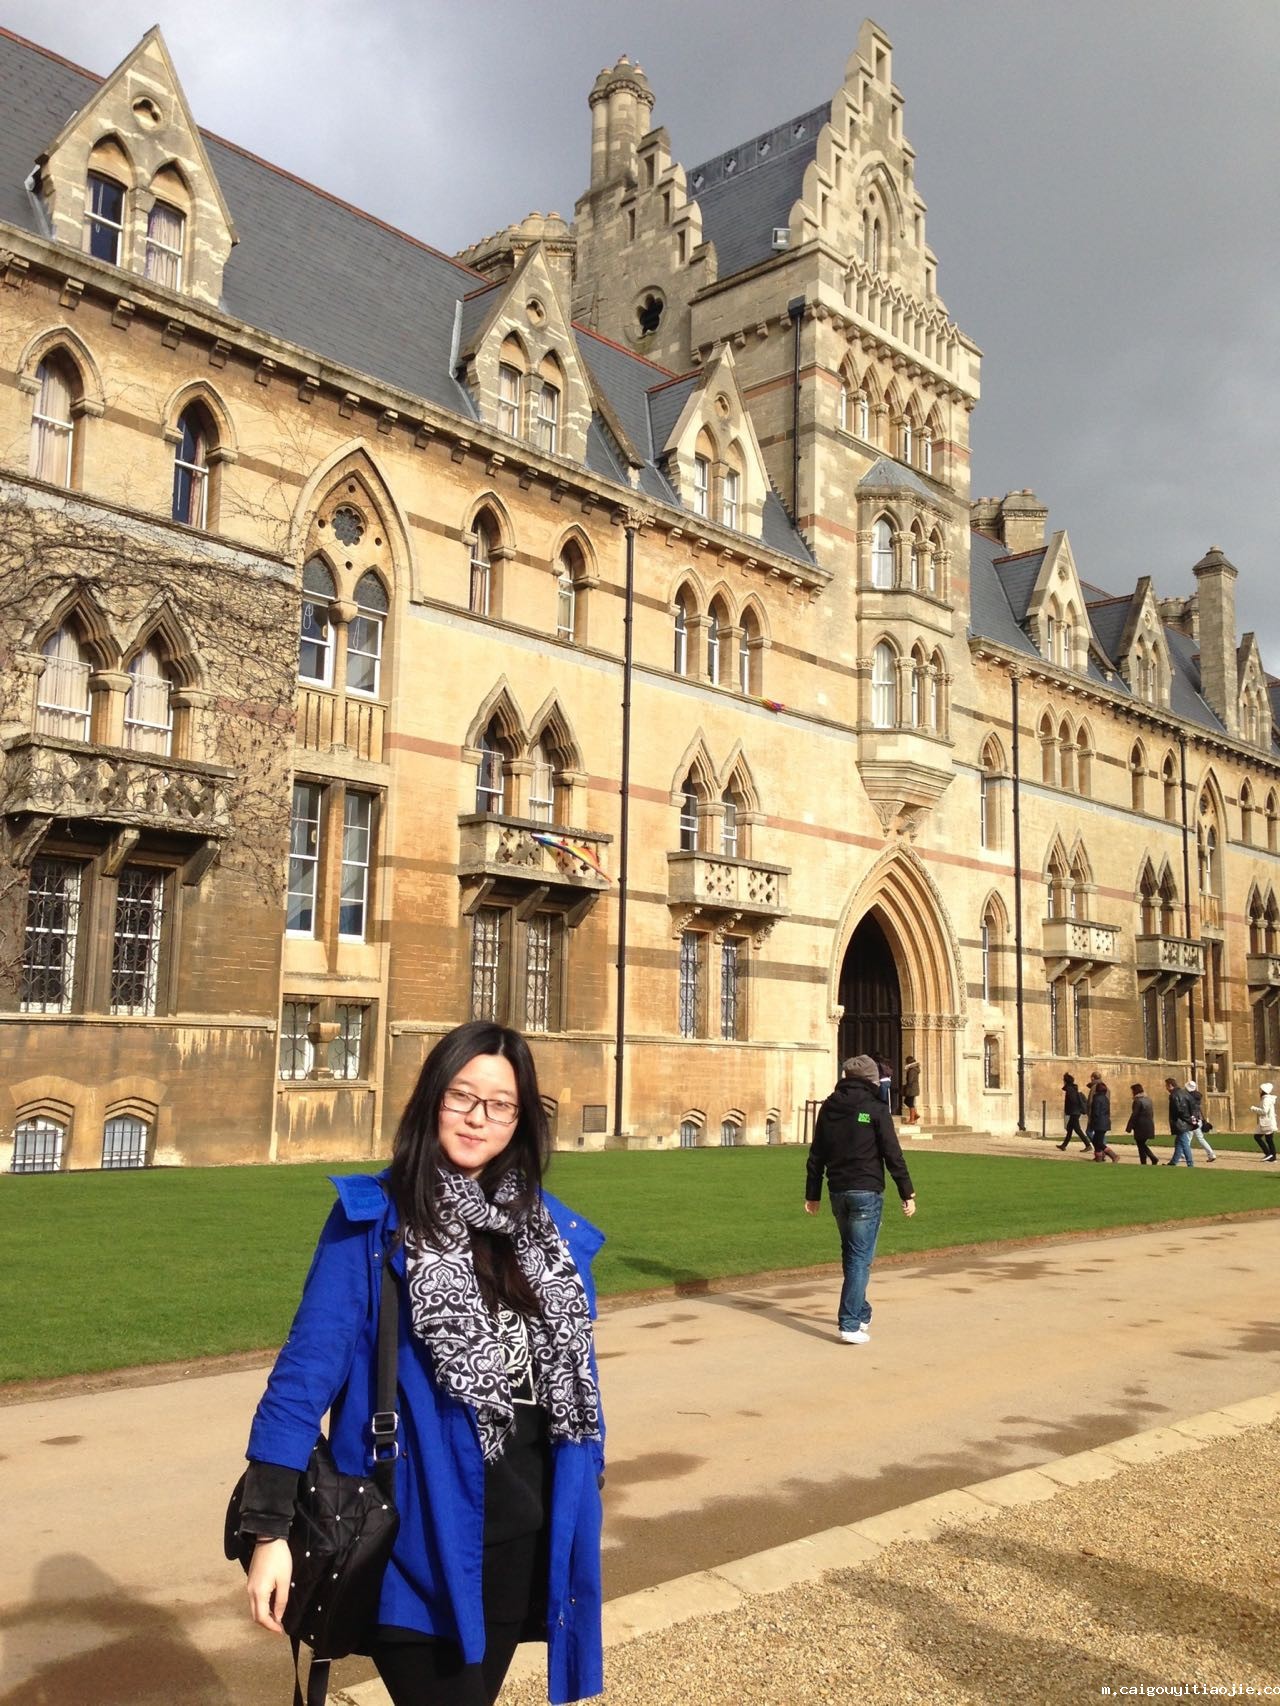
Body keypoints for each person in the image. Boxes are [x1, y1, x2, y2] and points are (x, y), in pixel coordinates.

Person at [240, 1021, 605, 1706]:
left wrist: (590, 1481)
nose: (477, 1117)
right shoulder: (374, 1221)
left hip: (521, 1538)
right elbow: (302, 1377)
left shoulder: (548, 1232)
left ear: (521, 1120)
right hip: (415, 1538)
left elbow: (574, 1383)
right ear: (432, 1098)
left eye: (500, 1104)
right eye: (461, 1096)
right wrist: (269, 1530)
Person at [804, 1054, 916, 1344]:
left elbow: (816, 1153)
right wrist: (907, 1192)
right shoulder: (875, 1108)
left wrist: (813, 1193)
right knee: (860, 1259)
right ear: (870, 1080)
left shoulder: (830, 1106)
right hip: (866, 1191)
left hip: (838, 1191)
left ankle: (862, 1311)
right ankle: (850, 1322)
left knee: (853, 1254)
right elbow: (892, 1153)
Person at [1085, 1074, 1120, 1163]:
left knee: (1098, 1142)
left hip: (1099, 1123)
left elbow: (1096, 1112)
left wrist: (1092, 1121)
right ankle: (1099, 1158)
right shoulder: (1105, 1099)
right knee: (1097, 1141)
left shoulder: (1096, 1099)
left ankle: (1113, 1155)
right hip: (1105, 1122)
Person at [1124, 1083, 1160, 1164]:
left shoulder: (1137, 1101)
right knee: (1141, 1144)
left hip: (1140, 1126)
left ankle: (1149, 1159)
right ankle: (1149, 1159)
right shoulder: (1148, 1100)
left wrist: (1129, 1127)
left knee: (1140, 1144)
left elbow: (1134, 1115)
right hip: (1148, 1124)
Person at [1165, 1075, 1196, 1166]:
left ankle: (1190, 1163)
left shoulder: (1174, 1095)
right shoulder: (1184, 1093)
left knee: (1184, 1142)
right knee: (1179, 1142)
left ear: (1170, 1085)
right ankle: (1174, 1161)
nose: (1166, 1088)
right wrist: (1190, 1119)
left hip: (1180, 1122)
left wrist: (1185, 1119)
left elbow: (1178, 1110)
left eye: (1166, 1086)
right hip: (1184, 1121)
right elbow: (1192, 1107)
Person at [1184, 1078, 1217, 1161]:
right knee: (1200, 1138)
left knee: (1187, 1138)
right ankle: (1211, 1154)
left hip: (1192, 1120)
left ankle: (1183, 1155)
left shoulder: (1188, 1097)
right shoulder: (1197, 1097)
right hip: (1198, 1120)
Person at [1057, 1073, 1090, 1151]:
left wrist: (1070, 1110)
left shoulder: (1070, 1090)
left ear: (1066, 1081)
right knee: (1069, 1128)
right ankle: (1064, 1145)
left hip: (1074, 1112)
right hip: (1075, 1112)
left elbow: (1073, 1101)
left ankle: (1088, 1145)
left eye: (1063, 1080)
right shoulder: (1072, 1088)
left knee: (1077, 1129)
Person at [1249, 1081, 1278, 1162]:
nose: (1259, 1091)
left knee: (1264, 1138)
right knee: (1264, 1138)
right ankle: (1271, 1156)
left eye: (1260, 1089)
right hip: (1266, 1122)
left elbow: (1264, 1111)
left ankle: (1270, 1155)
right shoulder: (1265, 1099)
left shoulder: (1266, 1099)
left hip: (1267, 1122)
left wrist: (1254, 1108)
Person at [902, 1054, 921, 1125]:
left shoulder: (912, 1070)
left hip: (911, 1088)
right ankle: (915, 1115)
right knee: (907, 1101)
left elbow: (910, 1080)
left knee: (909, 1102)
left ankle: (912, 1120)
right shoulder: (915, 1069)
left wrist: (906, 1087)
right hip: (914, 1088)